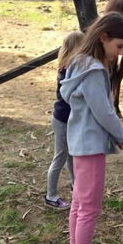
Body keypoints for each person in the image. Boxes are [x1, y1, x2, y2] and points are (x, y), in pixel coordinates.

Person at [60, 12, 123, 244]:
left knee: (79, 203)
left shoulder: (79, 62)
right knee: (89, 208)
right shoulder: (95, 70)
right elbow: (104, 113)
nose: (120, 53)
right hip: (89, 146)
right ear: (103, 37)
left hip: (79, 142)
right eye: (119, 46)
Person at [44, 31, 84, 210]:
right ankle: (50, 196)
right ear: (76, 47)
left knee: (71, 154)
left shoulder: (70, 67)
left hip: (69, 119)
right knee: (60, 156)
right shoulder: (68, 69)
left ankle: (76, 185)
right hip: (62, 119)